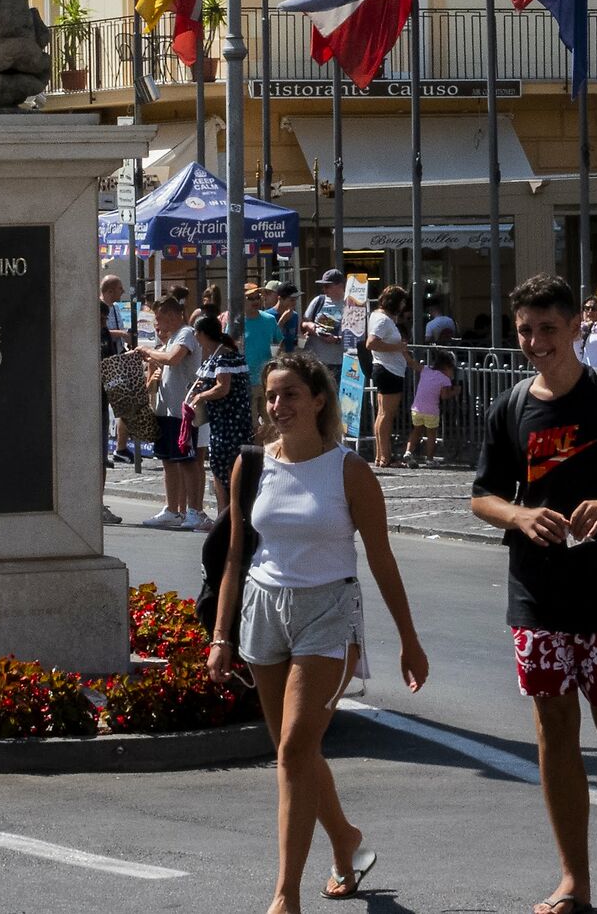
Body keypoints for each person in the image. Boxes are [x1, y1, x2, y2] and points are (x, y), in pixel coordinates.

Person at [471, 273, 597, 914]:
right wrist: (520, 517)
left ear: (575, 329)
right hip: (537, 595)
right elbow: (482, 496)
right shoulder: (511, 408)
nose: (535, 342)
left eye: (548, 330)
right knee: (554, 729)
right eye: (526, 330)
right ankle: (574, 881)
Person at [211, 352, 430, 914]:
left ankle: (285, 894)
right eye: (272, 396)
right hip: (262, 608)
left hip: (328, 612)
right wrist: (220, 636)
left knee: (292, 748)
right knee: (297, 751)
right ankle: (346, 840)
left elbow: (381, 559)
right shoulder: (253, 464)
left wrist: (409, 639)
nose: (278, 406)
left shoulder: (348, 470)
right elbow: (235, 556)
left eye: (289, 395)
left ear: (317, 400)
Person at [141, 296, 207, 529]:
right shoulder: (170, 339)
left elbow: (173, 359)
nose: (158, 323)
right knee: (169, 460)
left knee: (188, 461)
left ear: (172, 315)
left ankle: (195, 511)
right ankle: (172, 509)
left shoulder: (186, 334)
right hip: (167, 409)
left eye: (159, 317)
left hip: (183, 410)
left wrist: (148, 352)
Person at [188, 315, 254, 509]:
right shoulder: (215, 356)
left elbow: (222, 388)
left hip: (230, 424)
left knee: (224, 470)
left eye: (196, 333)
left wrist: (201, 397)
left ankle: (225, 516)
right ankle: (226, 515)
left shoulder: (225, 357)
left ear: (201, 333)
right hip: (220, 424)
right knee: (223, 469)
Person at [368, 286, 413, 469]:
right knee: (387, 415)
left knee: (382, 414)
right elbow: (371, 343)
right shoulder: (383, 320)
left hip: (385, 369)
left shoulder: (379, 316)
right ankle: (385, 456)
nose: (403, 306)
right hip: (389, 370)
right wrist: (398, 347)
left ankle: (381, 456)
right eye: (402, 302)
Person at [407, 348, 455, 466]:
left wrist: (404, 351)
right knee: (431, 434)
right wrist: (455, 392)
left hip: (416, 408)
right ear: (447, 367)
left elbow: (411, 363)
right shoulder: (445, 379)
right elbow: (444, 396)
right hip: (431, 411)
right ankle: (429, 459)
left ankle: (408, 452)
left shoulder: (426, 370)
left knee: (416, 431)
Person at [302, 270, 347, 377]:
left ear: (340, 285)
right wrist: (310, 326)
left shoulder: (351, 304)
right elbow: (304, 323)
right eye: (323, 286)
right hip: (316, 361)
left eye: (327, 286)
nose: (324, 289)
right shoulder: (318, 301)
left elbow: (357, 334)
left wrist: (337, 339)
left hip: (341, 362)